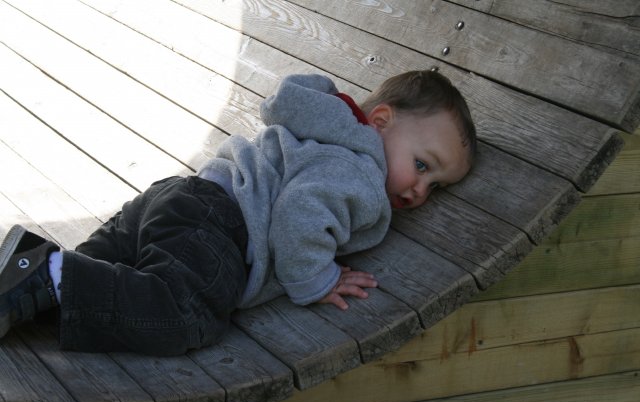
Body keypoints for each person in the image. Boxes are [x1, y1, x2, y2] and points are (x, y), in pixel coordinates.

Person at [0, 70, 476, 356]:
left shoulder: (322, 124)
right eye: (422, 165)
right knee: (183, 316)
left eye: (436, 185)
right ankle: (46, 273)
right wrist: (319, 279)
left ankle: (35, 269)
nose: (421, 190)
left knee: (99, 280)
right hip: (221, 227)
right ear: (381, 121)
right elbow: (298, 214)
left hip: (181, 196)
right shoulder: (360, 171)